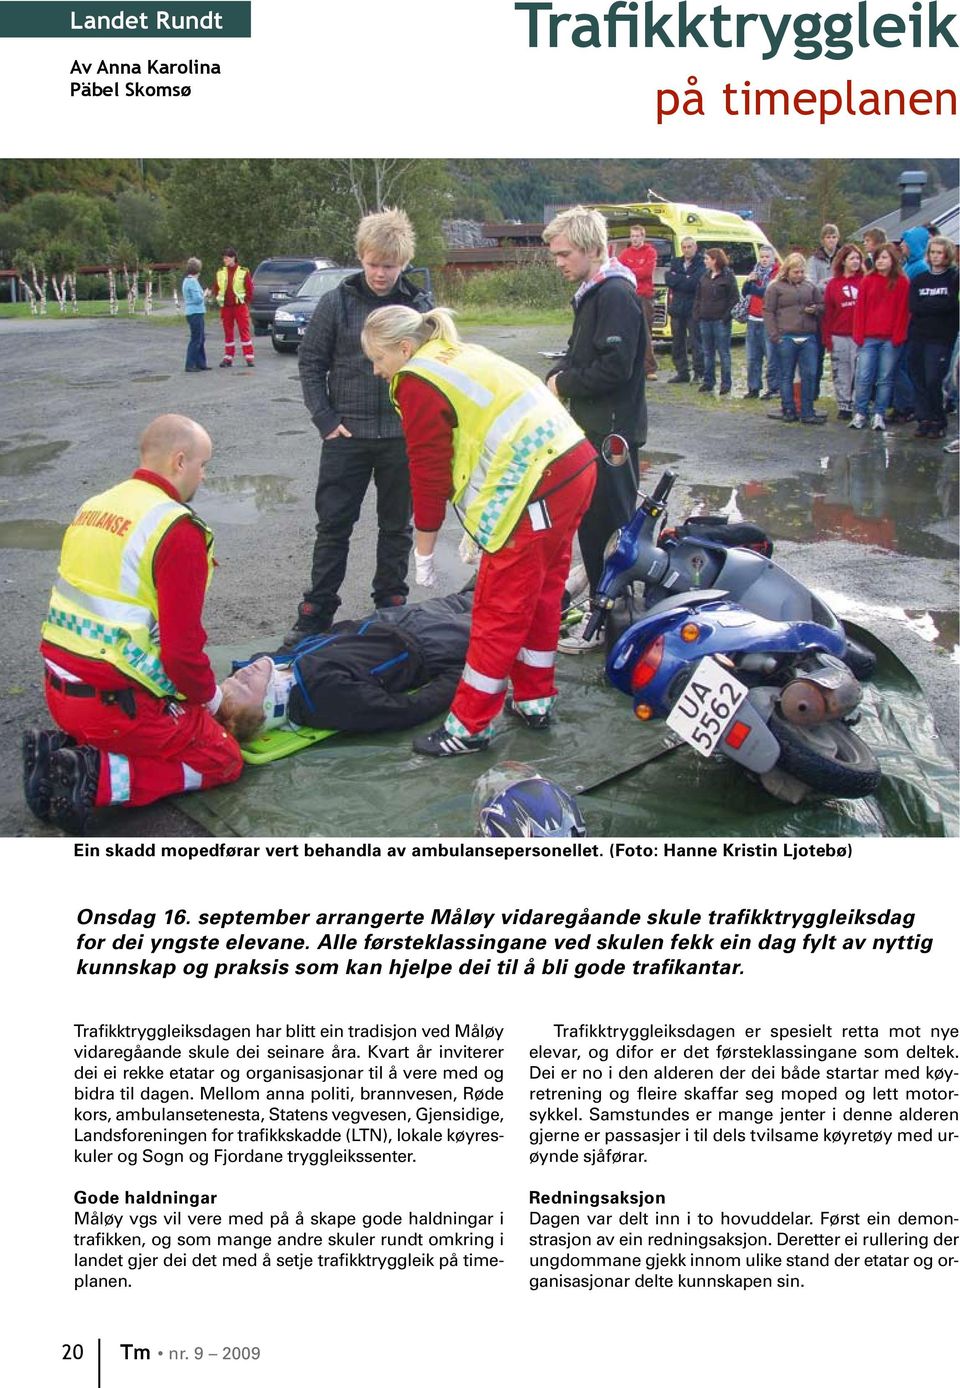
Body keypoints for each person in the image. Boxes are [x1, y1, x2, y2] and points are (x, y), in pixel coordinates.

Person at [361, 305, 597, 756]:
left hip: (537, 484)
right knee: (543, 595)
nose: (377, 371)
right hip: (572, 465)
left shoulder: (416, 380)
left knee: (497, 610)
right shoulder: (453, 352)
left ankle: (469, 727)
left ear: (404, 349)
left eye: (378, 359)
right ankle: (534, 700)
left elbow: (428, 473)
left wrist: (424, 549)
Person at [23, 415, 243, 833]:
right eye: (203, 465)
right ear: (180, 461)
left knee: (172, 728)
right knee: (222, 758)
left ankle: (59, 753)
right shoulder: (176, 530)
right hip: (114, 704)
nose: (204, 475)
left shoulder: (96, 506)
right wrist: (214, 703)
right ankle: (96, 778)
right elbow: (181, 653)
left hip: (59, 689)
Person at [286, 208, 433, 647]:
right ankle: (316, 611)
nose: (380, 273)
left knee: (396, 528)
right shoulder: (336, 302)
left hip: (400, 439)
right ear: (360, 257)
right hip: (346, 437)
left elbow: (433, 370)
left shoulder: (418, 308)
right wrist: (326, 420)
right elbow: (311, 363)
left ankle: (391, 604)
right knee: (333, 527)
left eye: (389, 265)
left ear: (403, 262)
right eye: (372, 263)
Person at [542, 204, 646, 652]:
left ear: (589, 248)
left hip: (612, 434)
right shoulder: (592, 292)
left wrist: (564, 381)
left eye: (564, 254)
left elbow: (617, 367)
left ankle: (613, 623)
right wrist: (559, 372)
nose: (559, 262)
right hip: (592, 429)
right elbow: (583, 352)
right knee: (591, 526)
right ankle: (606, 612)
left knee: (611, 528)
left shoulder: (615, 294)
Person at [217, 591, 474, 741]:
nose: (244, 672)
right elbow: (406, 710)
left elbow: (239, 679)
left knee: (479, 590)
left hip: (392, 620)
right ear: (271, 706)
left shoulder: (280, 667)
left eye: (235, 676)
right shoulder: (326, 695)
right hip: (428, 644)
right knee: (504, 613)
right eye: (244, 683)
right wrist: (460, 676)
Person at [850, 242, 910, 431]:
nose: (881, 261)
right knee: (864, 376)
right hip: (869, 337)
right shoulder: (868, 281)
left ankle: (879, 414)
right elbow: (860, 309)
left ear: (893, 260)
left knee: (885, 378)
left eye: (884, 257)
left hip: (891, 339)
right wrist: (858, 334)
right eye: (878, 258)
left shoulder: (902, 282)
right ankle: (860, 413)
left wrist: (898, 336)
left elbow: (904, 312)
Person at [763, 254, 826, 425]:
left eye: (801, 272)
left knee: (810, 374)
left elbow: (822, 305)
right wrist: (775, 335)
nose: (799, 275)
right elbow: (768, 311)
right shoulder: (775, 288)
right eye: (795, 272)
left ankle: (807, 411)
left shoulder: (810, 286)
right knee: (786, 375)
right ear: (787, 271)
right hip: (786, 336)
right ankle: (788, 408)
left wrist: (816, 309)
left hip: (808, 336)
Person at [906, 235, 958, 440]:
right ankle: (923, 418)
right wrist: (936, 306)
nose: (935, 257)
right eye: (932, 252)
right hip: (918, 335)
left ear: (947, 255)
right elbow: (914, 306)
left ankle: (938, 419)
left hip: (941, 338)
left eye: (939, 253)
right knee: (918, 378)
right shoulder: (920, 279)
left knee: (933, 379)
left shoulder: (954, 278)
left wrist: (932, 306)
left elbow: (951, 305)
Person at [821, 244, 864, 420]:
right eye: (852, 258)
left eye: (857, 259)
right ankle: (844, 404)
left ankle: (859, 403)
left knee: (860, 372)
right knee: (841, 370)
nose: (855, 262)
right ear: (843, 261)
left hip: (859, 335)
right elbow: (828, 313)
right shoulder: (833, 284)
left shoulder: (864, 281)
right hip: (839, 334)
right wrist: (827, 338)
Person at [692, 248, 739, 396]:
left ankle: (726, 383)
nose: (705, 261)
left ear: (715, 260)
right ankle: (708, 381)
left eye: (707, 259)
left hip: (720, 321)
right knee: (707, 352)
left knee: (723, 353)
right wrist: (697, 313)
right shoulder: (704, 276)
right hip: (705, 319)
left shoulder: (728, 277)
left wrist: (726, 317)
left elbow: (734, 299)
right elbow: (698, 297)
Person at [617, 223, 659, 380]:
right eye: (632, 236)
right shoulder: (625, 253)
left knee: (646, 332)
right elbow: (619, 270)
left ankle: (649, 368)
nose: (634, 239)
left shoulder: (650, 252)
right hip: (628, 295)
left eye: (637, 236)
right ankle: (631, 366)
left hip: (644, 295)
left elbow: (646, 272)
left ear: (643, 237)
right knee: (627, 330)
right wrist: (632, 272)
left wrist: (630, 271)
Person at [664, 235, 706, 382]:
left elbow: (694, 283)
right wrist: (684, 279)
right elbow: (668, 279)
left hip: (693, 309)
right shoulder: (676, 262)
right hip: (677, 308)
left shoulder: (701, 264)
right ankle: (682, 372)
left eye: (689, 247)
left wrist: (679, 279)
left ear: (695, 248)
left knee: (696, 342)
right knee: (677, 342)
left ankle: (699, 372)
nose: (687, 250)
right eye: (684, 247)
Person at [742, 244, 781, 399]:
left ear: (773, 258)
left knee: (771, 356)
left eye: (767, 257)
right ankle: (753, 387)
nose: (764, 260)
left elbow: (766, 293)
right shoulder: (755, 271)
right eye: (762, 257)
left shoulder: (777, 274)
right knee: (752, 357)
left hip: (768, 320)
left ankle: (773, 388)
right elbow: (745, 291)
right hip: (752, 318)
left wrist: (753, 286)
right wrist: (749, 282)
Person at [212, 247, 254, 368]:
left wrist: (245, 301)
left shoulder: (243, 271)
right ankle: (228, 357)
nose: (224, 260)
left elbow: (249, 289)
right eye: (224, 258)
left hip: (239, 306)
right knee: (228, 332)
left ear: (233, 258)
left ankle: (249, 357)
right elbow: (216, 287)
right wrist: (217, 296)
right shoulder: (220, 272)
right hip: (226, 307)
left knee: (244, 330)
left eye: (226, 258)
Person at [181, 257, 210, 372]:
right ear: (198, 269)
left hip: (192, 312)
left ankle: (201, 363)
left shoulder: (186, 280)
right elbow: (198, 299)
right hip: (195, 312)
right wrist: (205, 294)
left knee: (200, 338)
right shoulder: (192, 282)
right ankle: (190, 364)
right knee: (196, 339)